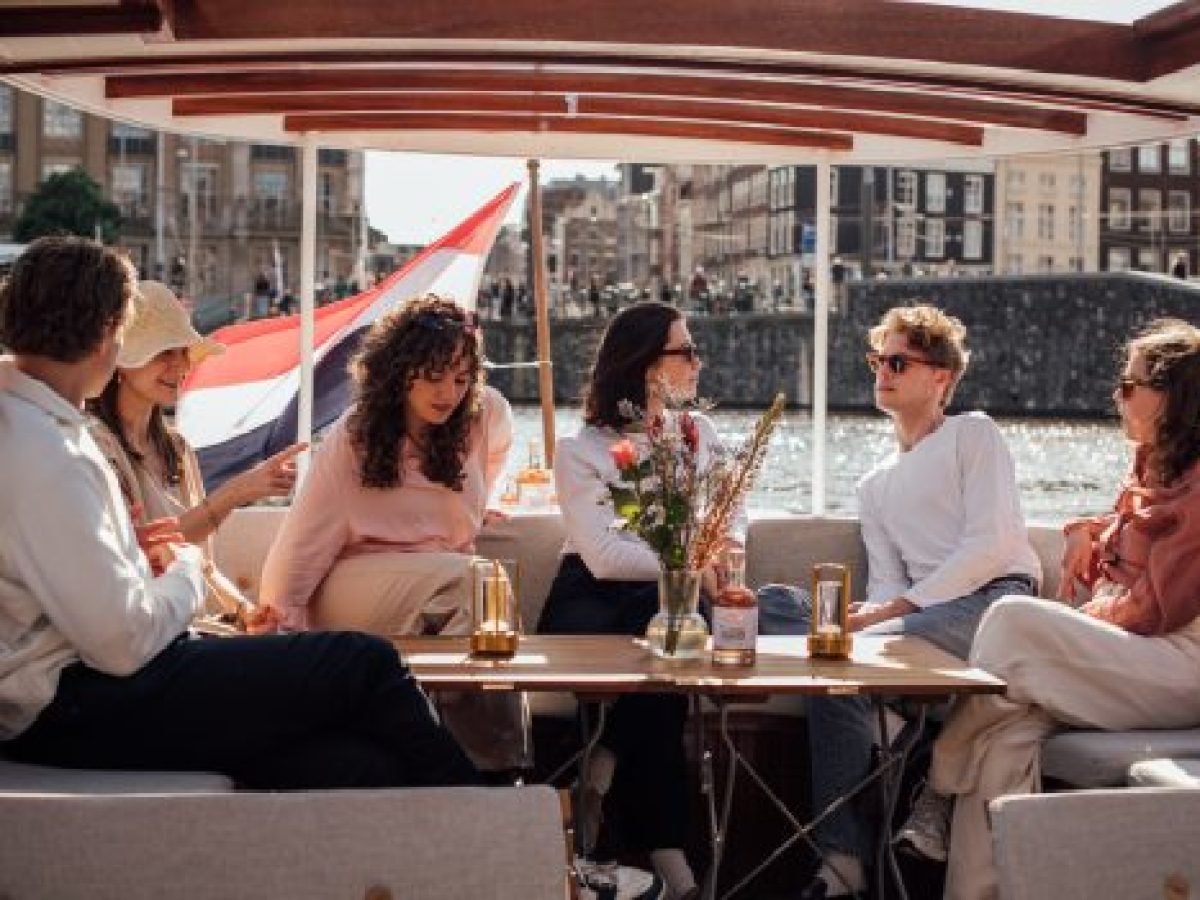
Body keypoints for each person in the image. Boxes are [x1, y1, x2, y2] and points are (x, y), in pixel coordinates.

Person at [0, 236, 479, 790]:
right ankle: (501, 824)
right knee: (365, 665)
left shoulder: (31, 428)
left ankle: (454, 848)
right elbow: (121, 642)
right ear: (109, 334)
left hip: (64, 701)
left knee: (359, 764)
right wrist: (184, 571)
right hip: (79, 699)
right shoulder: (49, 453)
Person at [758, 304, 1041, 899]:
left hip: (996, 608)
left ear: (941, 377)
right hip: (916, 623)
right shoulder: (876, 484)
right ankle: (852, 822)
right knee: (775, 609)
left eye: (897, 361)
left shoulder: (974, 435)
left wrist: (887, 615)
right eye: (876, 360)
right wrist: (872, 616)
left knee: (840, 652)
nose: (881, 371)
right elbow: (887, 579)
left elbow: (989, 548)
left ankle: (843, 853)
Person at [922, 318, 1200, 900]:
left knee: (1012, 619)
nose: (1116, 396)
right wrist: (1085, 529)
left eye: (1129, 387)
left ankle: (933, 784)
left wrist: (1078, 619)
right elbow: (1129, 529)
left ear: (1175, 398)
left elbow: (1156, 611)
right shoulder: (1154, 467)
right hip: (1142, 651)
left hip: (1181, 661)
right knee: (1007, 741)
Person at [258, 294, 527, 771]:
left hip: (445, 573)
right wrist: (278, 628)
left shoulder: (486, 415)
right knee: (475, 582)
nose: (449, 392)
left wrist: (484, 509)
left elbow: (495, 462)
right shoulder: (354, 438)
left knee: (481, 589)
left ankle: (491, 760)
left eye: (461, 379)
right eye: (433, 376)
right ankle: (471, 767)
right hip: (352, 581)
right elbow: (303, 541)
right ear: (399, 371)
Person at [538, 301, 735, 900]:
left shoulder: (700, 436)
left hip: (665, 597)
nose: (699, 360)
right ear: (648, 366)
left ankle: (602, 764)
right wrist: (693, 564)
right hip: (590, 597)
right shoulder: (582, 451)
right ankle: (668, 852)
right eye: (686, 350)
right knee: (666, 635)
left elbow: (733, 513)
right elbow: (602, 555)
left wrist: (723, 557)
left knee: (666, 634)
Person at [86, 280, 305, 626]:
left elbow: (201, 564)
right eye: (164, 353)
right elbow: (141, 551)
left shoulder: (176, 448)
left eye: (184, 352)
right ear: (123, 363)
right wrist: (238, 491)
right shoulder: (95, 444)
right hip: (149, 633)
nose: (181, 366)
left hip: (190, 629)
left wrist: (244, 611)